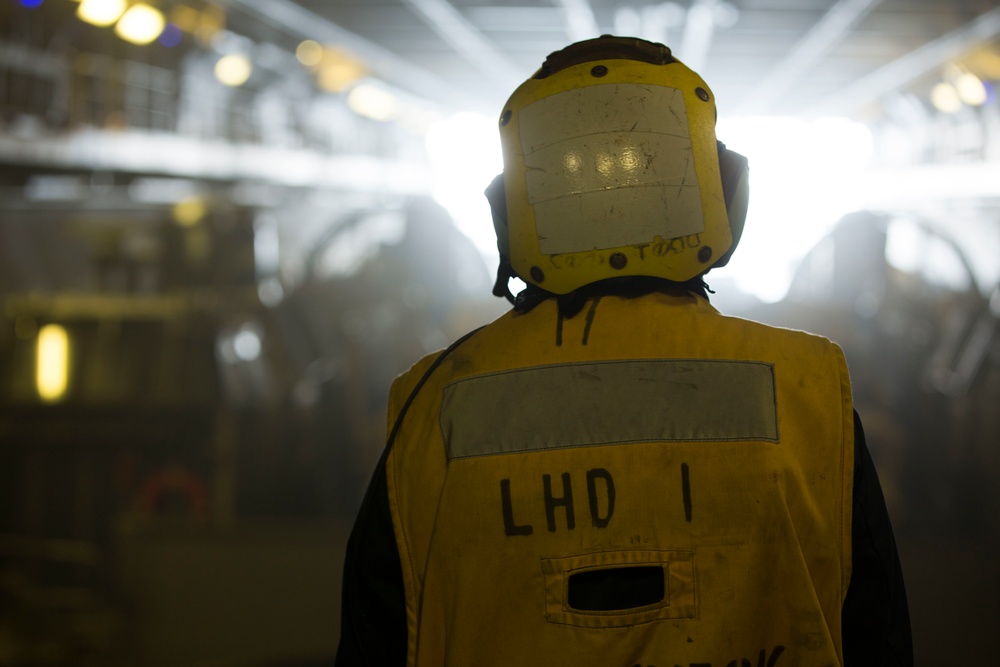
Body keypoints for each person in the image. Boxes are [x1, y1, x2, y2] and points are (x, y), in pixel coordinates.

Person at [335, 35, 912, 666]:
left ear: (511, 211)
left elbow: (378, 637)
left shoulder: (432, 404)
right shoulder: (809, 389)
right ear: (724, 192)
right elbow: (876, 635)